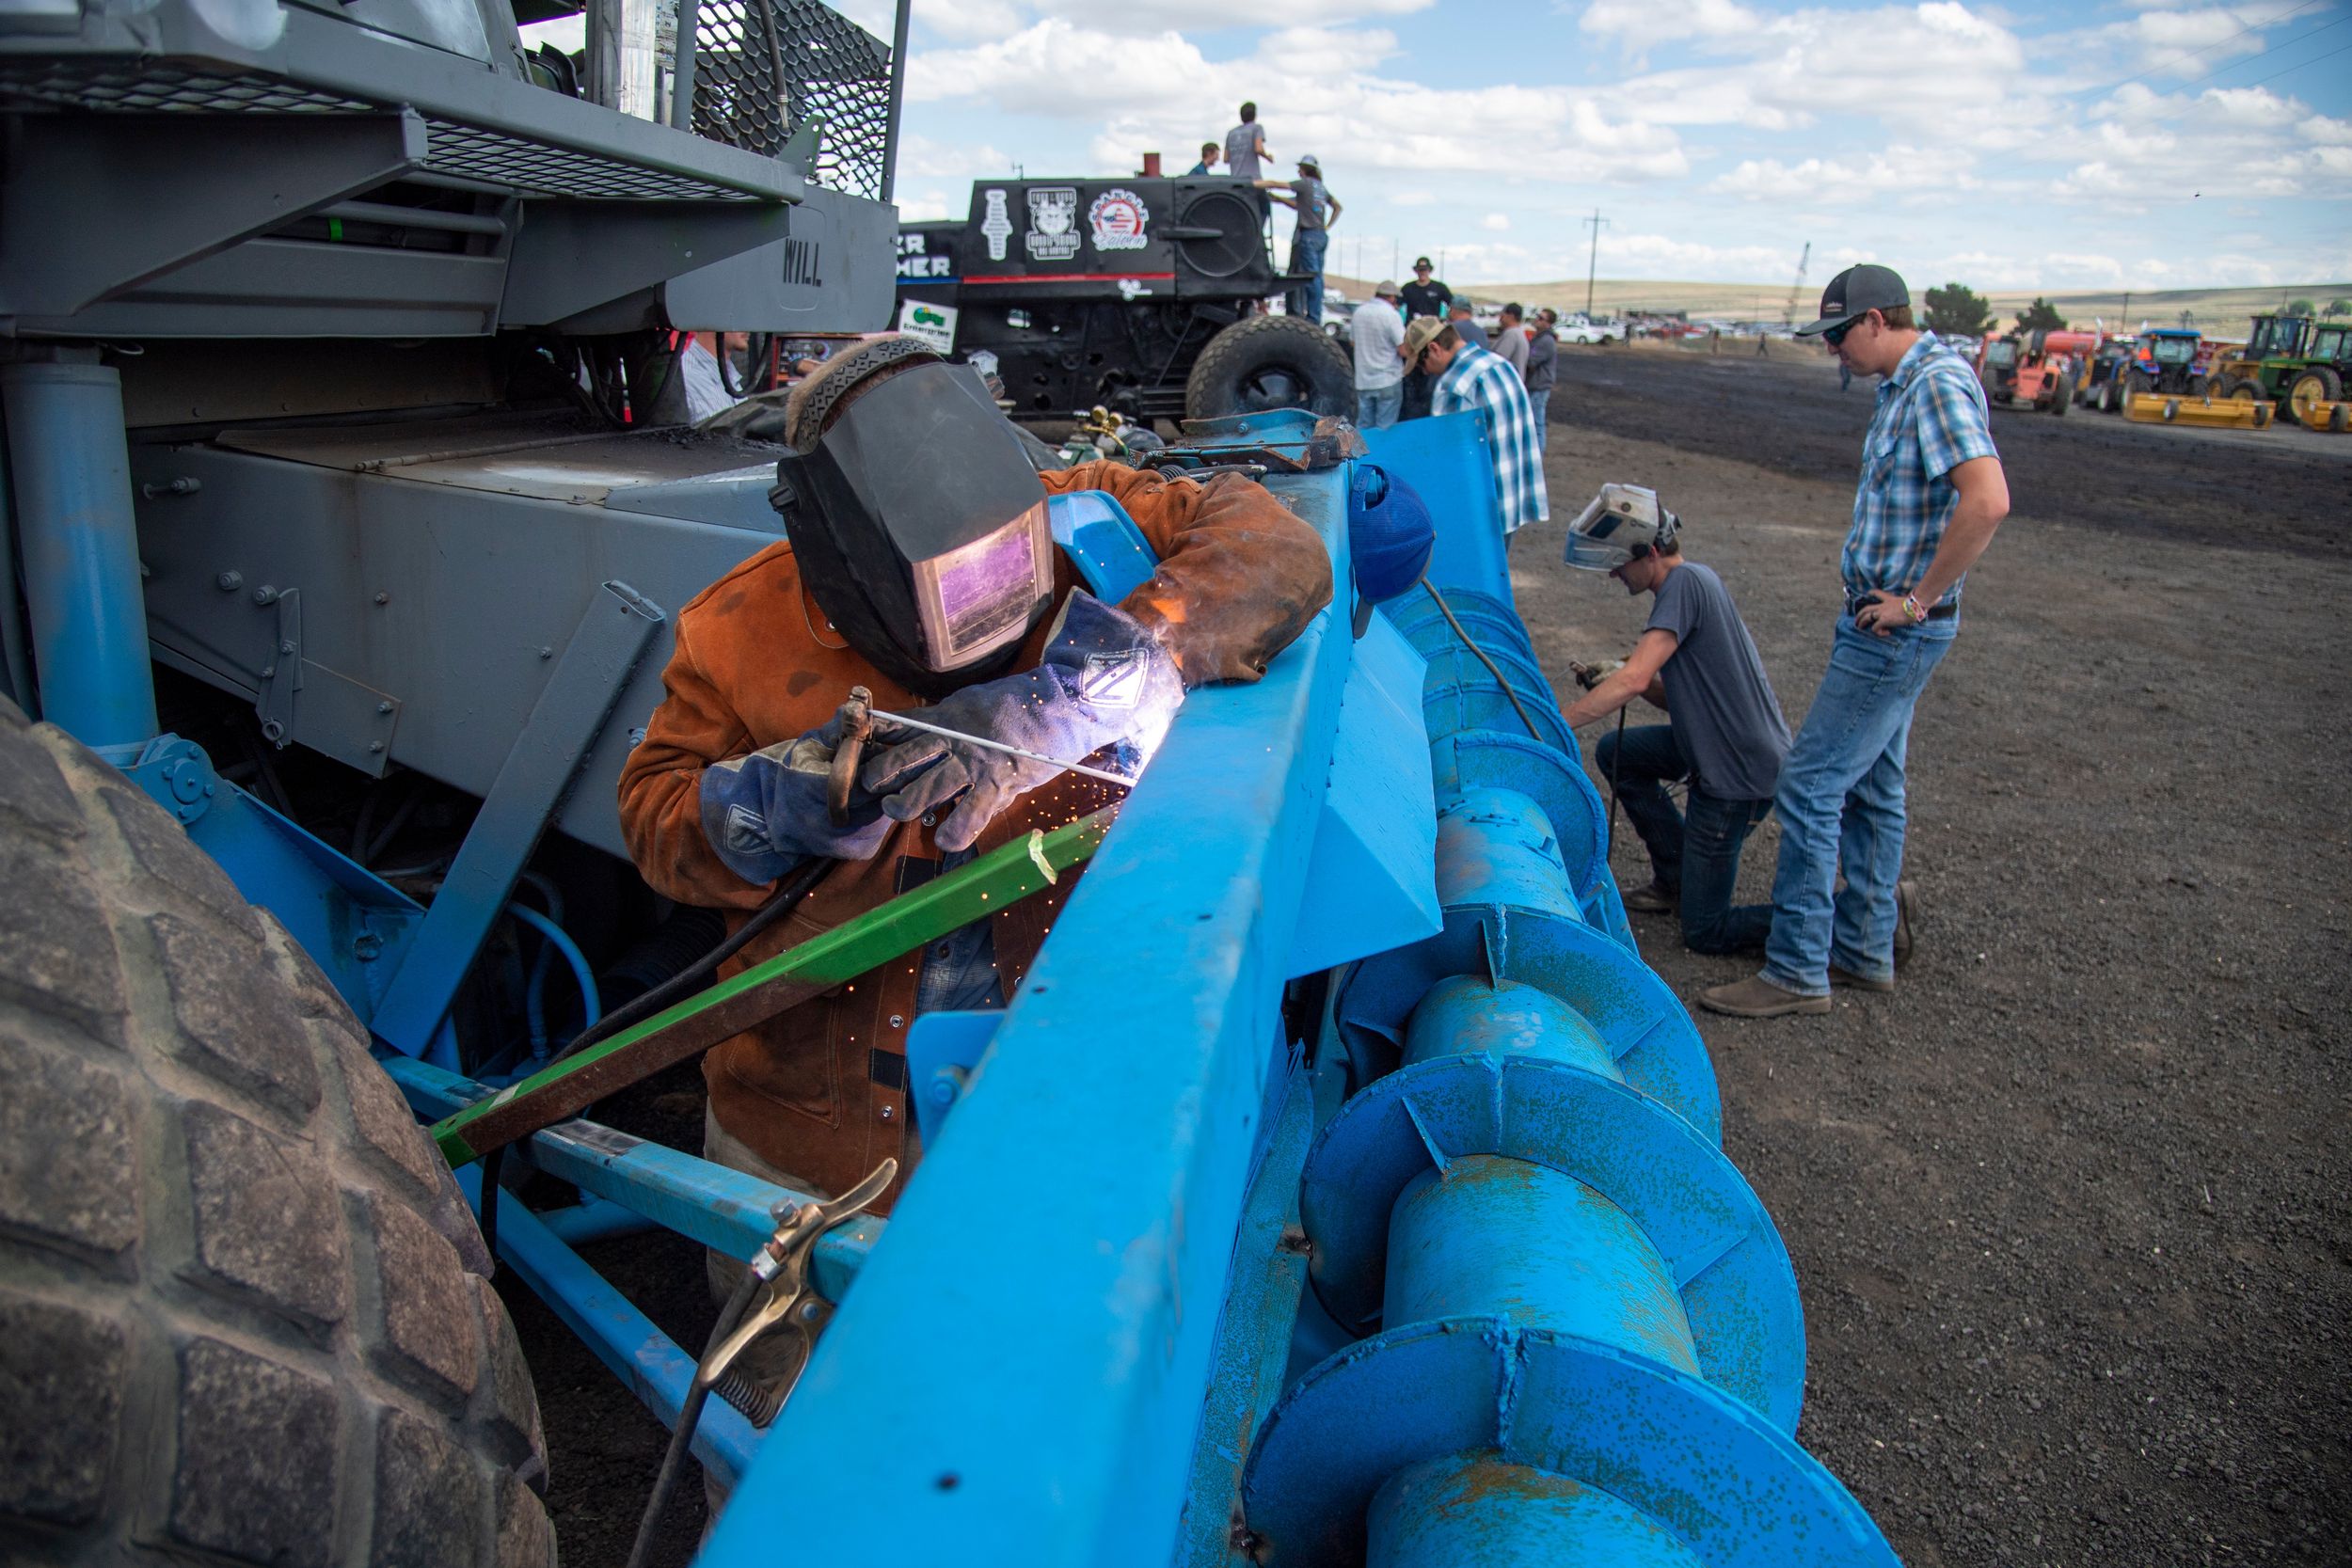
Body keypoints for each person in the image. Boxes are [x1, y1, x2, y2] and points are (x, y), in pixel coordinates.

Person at [618, 336, 1334, 1232]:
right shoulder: (736, 623)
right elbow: (651, 816)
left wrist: (1061, 700)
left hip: (1039, 1094)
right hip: (808, 1130)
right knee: (786, 1367)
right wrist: (780, 800)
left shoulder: (1082, 512)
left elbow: (1277, 547)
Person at [1700, 264, 2010, 1019]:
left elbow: (1988, 498)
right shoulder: (1905, 384)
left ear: (1876, 319)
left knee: (1809, 785)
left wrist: (1915, 600)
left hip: (1891, 629)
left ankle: (1799, 969)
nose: (1834, 348)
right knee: (1875, 788)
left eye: (1839, 334)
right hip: (1887, 619)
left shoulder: (1934, 383)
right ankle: (1866, 949)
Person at [1557, 485, 1790, 954]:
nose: (1615, 574)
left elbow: (1636, 681)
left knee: (1705, 930)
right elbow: (1672, 694)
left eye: (1620, 561)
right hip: (1718, 750)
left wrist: (1554, 722)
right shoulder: (1691, 585)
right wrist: (1622, 676)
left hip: (1735, 776)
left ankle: (1853, 923)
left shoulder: (1684, 585)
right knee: (1618, 752)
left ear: (1650, 551)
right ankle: (1678, 874)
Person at [1403, 316, 1548, 541]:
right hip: (1513, 495)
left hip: (1486, 511)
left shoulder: (1455, 385)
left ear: (1434, 349)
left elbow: (1451, 460)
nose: (1426, 371)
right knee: (1499, 571)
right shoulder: (1498, 363)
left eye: (1422, 364)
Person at [1257, 155, 1340, 330]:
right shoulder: (1321, 189)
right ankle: (1313, 315)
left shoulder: (1305, 184)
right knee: (1317, 277)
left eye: (1300, 168)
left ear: (1305, 169)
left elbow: (1279, 184)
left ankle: (1312, 317)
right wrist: (1327, 226)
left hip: (1308, 235)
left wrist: (1255, 185)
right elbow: (1336, 206)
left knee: (1309, 277)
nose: (1298, 172)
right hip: (1320, 236)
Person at [1398, 258, 1454, 420]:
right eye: (1420, 270)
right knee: (1411, 371)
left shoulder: (1439, 288)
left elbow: (1452, 303)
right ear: (1416, 271)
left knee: (1431, 375)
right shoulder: (1408, 288)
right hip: (1414, 336)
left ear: (1430, 271)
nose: (1423, 273)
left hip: (1432, 336)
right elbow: (1398, 305)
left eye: (1425, 270)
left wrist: (1444, 321)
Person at [1353, 278, 1406, 429]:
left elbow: (1353, 342)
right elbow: (1403, 349)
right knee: (1385, 431)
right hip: (1388, 380)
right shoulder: (1391, 315)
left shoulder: (1359, 312)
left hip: (1363, 381)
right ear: (1391, 297)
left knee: (1364, 430)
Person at [1525, 309, 1559, 449]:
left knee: (1537, 422)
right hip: (1535, 385)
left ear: (1548, 323)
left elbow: (1531, 362)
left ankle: (1538, 453)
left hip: (1539, 386)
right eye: (1538, 317)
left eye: (1541, 318)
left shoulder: (1546, 341)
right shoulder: (1539, 338)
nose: (1537, 319)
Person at [1224, 103, 1268, 182]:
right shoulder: (1257, 128)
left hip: (1235, 180)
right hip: (1253, 180)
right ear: (1255, 115)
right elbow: (1259, 149)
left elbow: (1226, 159)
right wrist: (1268, 157)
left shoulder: (1231, 133)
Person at [1490, 302, 1531, 381]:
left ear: (1511, 316)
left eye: (1502, 315)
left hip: (1506, 382)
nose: (1500, 319)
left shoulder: (1511, 334)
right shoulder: (1519, 333)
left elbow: (1497, 359)